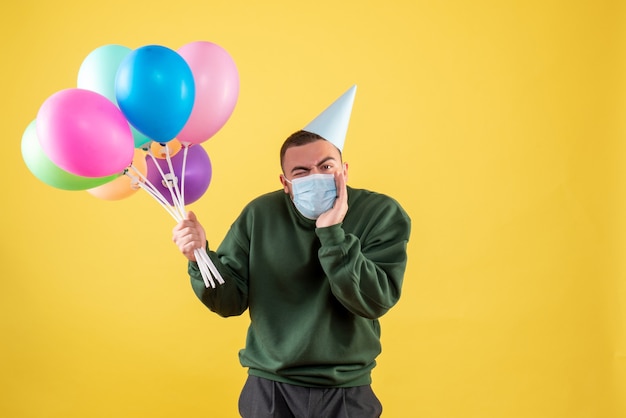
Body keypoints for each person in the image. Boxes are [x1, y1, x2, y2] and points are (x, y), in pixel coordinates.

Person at [172, 86, 411, 417]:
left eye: (326, 166)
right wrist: (199, 257)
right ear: (285, 183)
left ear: (344, 170)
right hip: (270, 389)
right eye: (302, 172)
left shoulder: (381, 213)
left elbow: (374, 300)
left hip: (346, 390)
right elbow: (230, 302)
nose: (316, 176)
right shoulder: (260, 214)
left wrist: (332, 234)